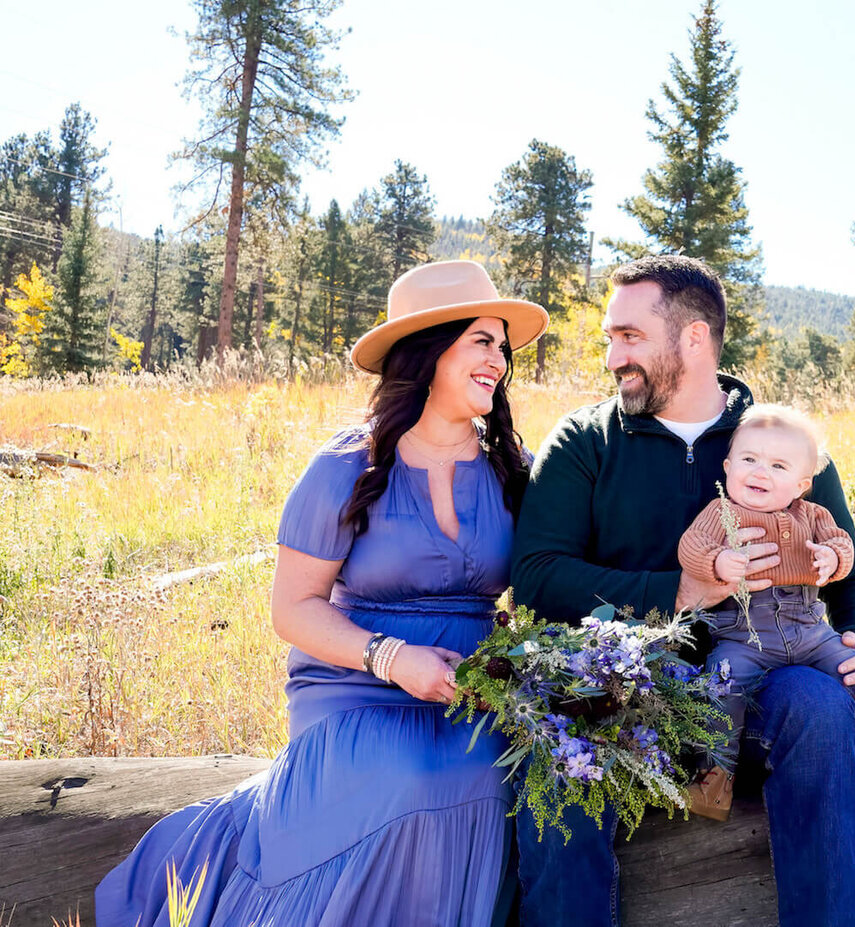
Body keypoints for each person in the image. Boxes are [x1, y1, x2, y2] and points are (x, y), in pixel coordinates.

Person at [95, 260, 548, 927]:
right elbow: (292, 608)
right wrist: (394, 658)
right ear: (429, 350)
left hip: (474, 692)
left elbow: (556, 572)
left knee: (491, 774)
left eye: (502, 344)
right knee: (408, 776)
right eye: (482, 339)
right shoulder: (347, 466)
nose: (500, 358)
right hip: (357, 688)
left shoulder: (514, 468)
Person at [510, 254, 855, 927]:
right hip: (621, 688)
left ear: (693, 338)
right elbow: (537, 577)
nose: (612, 357)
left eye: (628, 336)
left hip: (759, 685)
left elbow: (851, 569)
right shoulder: (585, 440)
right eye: (608, 338)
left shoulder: (774, 441)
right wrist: (676, 589)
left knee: (821, 703)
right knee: (559, 743)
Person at [677, 403, 855, 820]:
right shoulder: (721, 513)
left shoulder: (813, 515)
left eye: (778, 466)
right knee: (722, 682)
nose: (760, 472)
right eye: (749, 460)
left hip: (808, 629)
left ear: (801, 483)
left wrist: (832, 558)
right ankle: (715, 778)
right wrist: (719, 564)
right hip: (744, 635)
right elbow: (692, 547)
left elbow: (843, 545)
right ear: (727, 466)